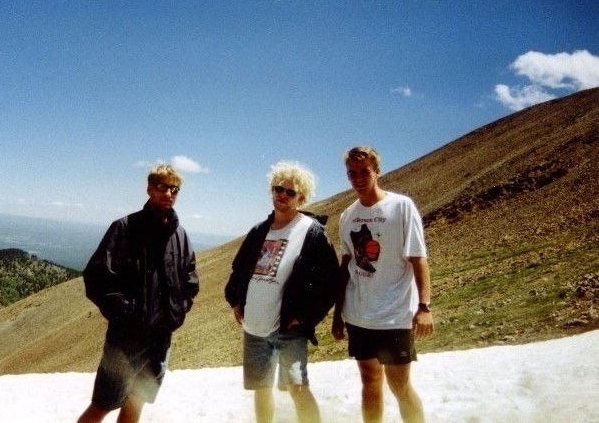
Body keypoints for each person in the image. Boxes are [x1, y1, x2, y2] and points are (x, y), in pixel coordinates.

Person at [79, 164, 199, 423]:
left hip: (160, 339)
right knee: (103, 404)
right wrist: (129, 314)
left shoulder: (180, 236)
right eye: (162, 186)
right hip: (126, 339)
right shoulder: (124, 228)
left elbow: (190, 280)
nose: (169, 193)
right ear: (149, 188)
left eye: (174, 189)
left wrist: (177, 311)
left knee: (137, 401)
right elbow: (97, 278)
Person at [225, 161, 340, 423]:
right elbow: (239, 268)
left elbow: (330, 281)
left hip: (289, 328)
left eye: (290, 192)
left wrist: (306, 318)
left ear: (302, 197)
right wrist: (235, 300)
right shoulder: (258, 231)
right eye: (279, 189)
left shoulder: (312, 233)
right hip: (255, 324)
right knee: (261, 389)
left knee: (297, 387)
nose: (282, 195)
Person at [331, 146, 433, 423]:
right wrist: (338, 314)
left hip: (394, 315)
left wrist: (424, 306)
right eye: (352, 173)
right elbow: (346, 265)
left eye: (364, 171)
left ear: (377, 171)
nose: (358, 178)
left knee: (400, 386)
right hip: (358, 314)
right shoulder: (347, 215)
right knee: (369, 383)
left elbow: (418, 258)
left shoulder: (401, 206)